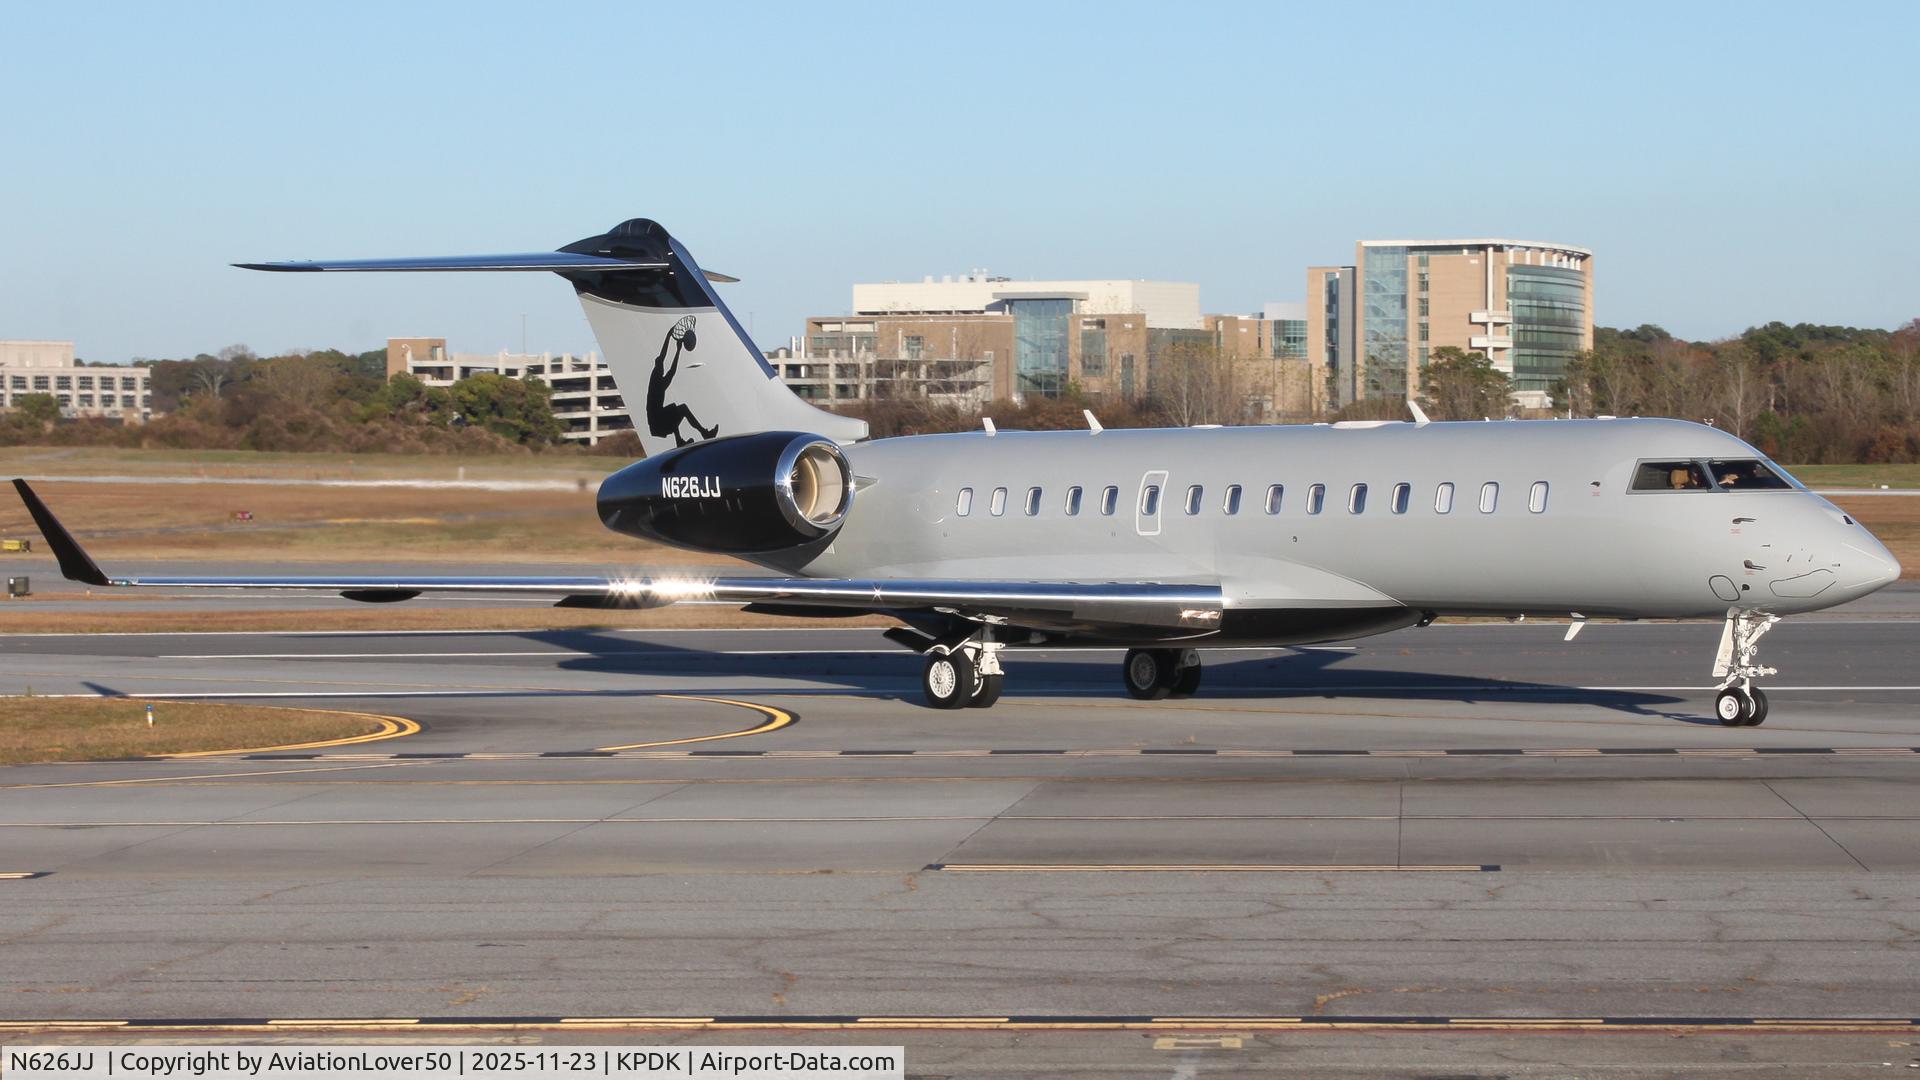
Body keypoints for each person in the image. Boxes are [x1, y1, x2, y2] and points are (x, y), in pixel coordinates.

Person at [647, 315, 719, 447]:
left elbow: (672, 372)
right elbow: (662, 357)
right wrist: (668, 337)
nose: (661, 365)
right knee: (680, 409)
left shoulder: (660, 383)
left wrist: (678, 350)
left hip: (657, 421)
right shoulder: (656, 379)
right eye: (660, 364)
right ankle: (702, 433)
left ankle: (682, 439)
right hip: (657, 421)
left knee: (676, 410)